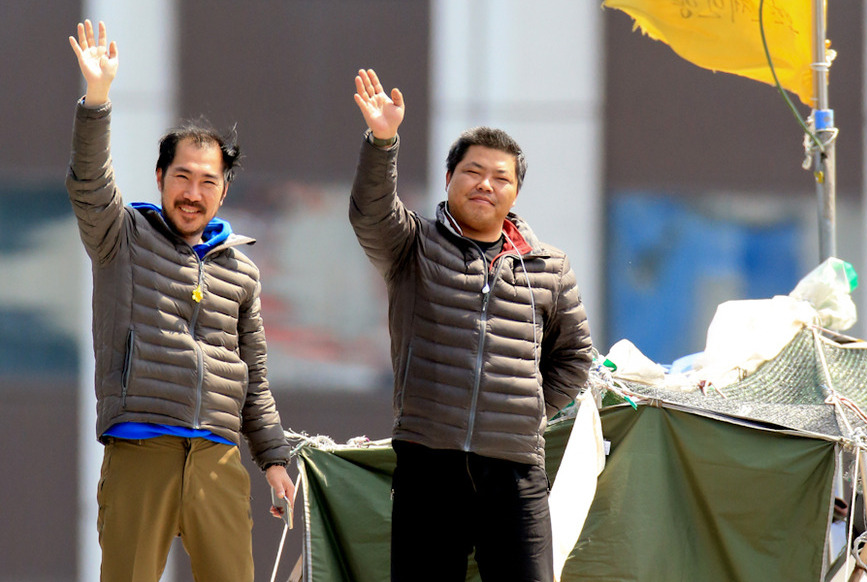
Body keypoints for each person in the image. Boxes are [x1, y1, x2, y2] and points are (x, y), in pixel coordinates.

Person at [66, 20, 295, 581]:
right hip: (140, 448)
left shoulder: (240, 270)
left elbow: (254, 376)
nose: (193, 193)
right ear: (161, 176)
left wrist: (272, 458)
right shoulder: (123, 238)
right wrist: (96, 100)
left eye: (208, 182)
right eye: (182, 177)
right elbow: (90, 185)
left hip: (218, 457)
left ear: (224, 190)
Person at [350, 68, 593, 582]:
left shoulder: (549, 267)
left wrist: (526, 410)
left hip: (515, 471)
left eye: (501, 177)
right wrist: (382, 141)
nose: (486, 184)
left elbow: (574, 356)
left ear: (515, 193)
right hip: (427, 465)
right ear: (449, 179)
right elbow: (370, 214)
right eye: (472, 171)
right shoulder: (414, 245)